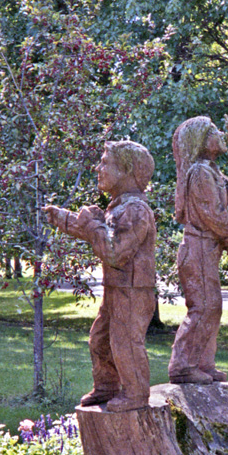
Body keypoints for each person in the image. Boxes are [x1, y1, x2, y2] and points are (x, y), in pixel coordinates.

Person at [44, 140, 156, 412]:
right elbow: (95, 233)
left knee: (125, 342)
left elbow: (116, 253)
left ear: (126, 170)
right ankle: (107, 386)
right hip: (117, 288)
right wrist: (63, 218)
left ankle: (136, 393)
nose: (98, 168)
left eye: (105, 163)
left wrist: (92, 224)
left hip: (133, 290)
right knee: (101, 339)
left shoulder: (136, 210)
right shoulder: (119, 207)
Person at [168, 115, 228, 384]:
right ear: (201, 141)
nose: (220, 134)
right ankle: (182, 366)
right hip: (198, 248)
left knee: (212, 308)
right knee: (203, 307)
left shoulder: (211, 171)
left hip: (207, 250)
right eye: (213, 131)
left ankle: (203, 364)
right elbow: (212, 214)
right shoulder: (200, 173)